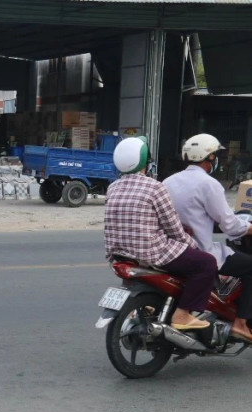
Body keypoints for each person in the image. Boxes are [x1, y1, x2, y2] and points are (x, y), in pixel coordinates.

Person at [104, 136, 217, 331]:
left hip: (119, 255)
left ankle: (153, 305)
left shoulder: (113, 187)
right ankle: (182, 315)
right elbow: (173, 227)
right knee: (206, 263)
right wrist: (193, 244)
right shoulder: (155, 187)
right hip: (151, 253)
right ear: (145, 163)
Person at [163, 133, 252, 341]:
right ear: (210, 158)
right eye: (215, 155)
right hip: (200, 251)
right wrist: (249, 228)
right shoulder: (208, 184)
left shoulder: (168, 181)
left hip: (173, 249)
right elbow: (229, 224)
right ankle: (240, 323)